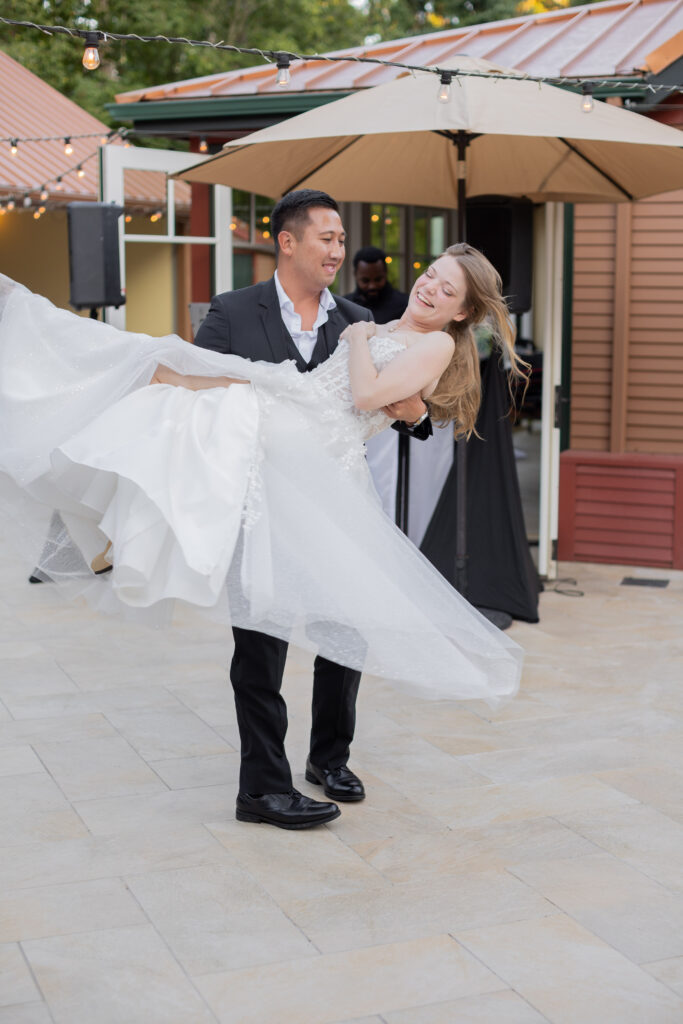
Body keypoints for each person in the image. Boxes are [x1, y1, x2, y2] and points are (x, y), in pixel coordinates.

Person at [0, 237, 526, 832]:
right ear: (288, 242)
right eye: (430, 274)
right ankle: (263, 785)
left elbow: (371, 397)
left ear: (462, 310)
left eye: (446, 288)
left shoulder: (381, 327)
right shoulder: (244, 310)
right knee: (164, 374)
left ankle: (329, 759)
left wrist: (389, 378)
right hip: (280, 443)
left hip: (319, 469)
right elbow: (359, 390)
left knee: (344, 624)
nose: (428, 286)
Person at [345, 246, 410, 325]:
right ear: (355, 275)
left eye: (378, 280)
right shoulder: (345, 307)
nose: (372, 286)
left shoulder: (405, 305)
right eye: (365, 281)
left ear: (386, 273)